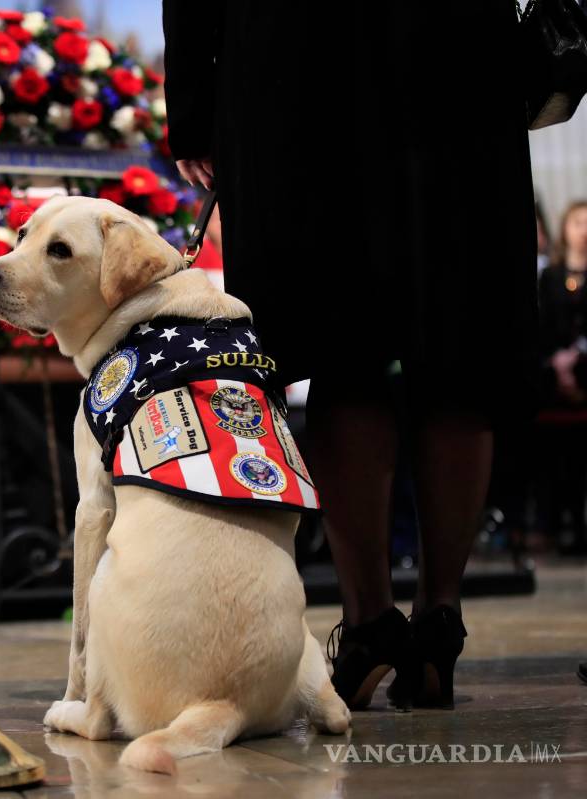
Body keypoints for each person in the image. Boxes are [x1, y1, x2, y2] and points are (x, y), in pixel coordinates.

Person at [163, 1, 536, 709]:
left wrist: (193, 104)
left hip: (298, 62)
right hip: (457, 55)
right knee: (457, 340)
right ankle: (440, 618)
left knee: (341, 346)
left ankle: (368, 624)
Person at [535, 200, 587, 554]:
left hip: (585, 371)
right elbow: (542, 325)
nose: (583, 230)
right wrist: (558, 362)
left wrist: (578, 356)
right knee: (555, 457)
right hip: (553, 376)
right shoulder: (550, 276)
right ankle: (552, 525)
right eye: (578, 222)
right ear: (565, 228)